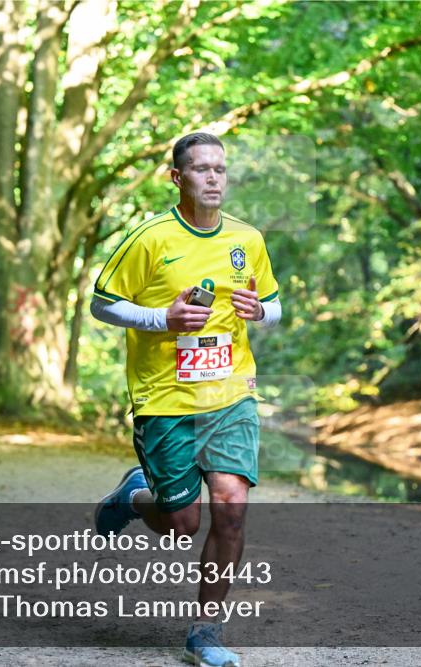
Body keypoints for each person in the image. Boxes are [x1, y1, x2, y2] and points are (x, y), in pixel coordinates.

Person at [91, 132, 281, 667]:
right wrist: (162, 319)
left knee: (231, 510)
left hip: (231, 393)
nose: (214, 178)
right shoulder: (149, 238)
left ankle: (206, 632)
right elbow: (101, 304)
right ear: (178, 178)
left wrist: (259, 313)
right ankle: (135, 496)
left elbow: (275, 304)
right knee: (182, 525)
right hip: (166, 397)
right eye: (201, 169)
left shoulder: (248, 239)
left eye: (220, 168)